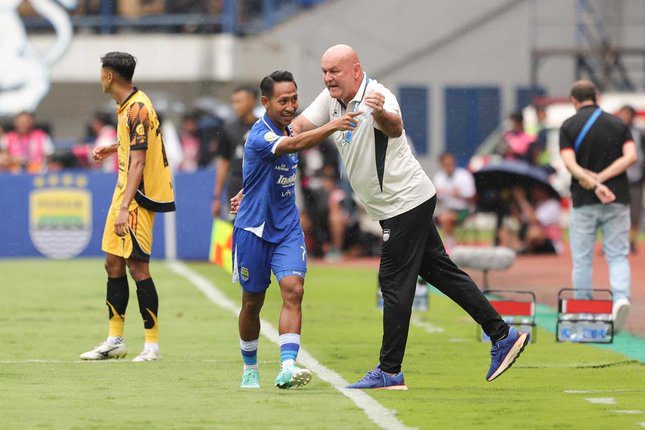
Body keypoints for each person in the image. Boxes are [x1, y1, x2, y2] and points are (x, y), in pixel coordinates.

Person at [291, 44, 529, 389]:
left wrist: (378, 114)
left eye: (335, 71)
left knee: (393, 282)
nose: (328, 78)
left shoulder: (379, 95)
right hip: (398, 205)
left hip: (405, 204)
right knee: (442, 273)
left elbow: (395, 126)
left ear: (355, 70)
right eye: (325, 71)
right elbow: (300, 125)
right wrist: (276, 135)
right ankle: (503, 334)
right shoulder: (331, 100)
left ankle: (389, 371)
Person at [230, 70, 358, 389]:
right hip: (254, 230)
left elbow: (290, 141)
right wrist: (333, 125)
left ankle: (287, 366)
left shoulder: (289, 126)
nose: (290, 106)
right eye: (283, 101)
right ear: (265, 102)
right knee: (252, 302)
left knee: (293, 290)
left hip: (287, 228)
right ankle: (250, 368)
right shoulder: (259, 136)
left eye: (294, 99)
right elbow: (292, 144)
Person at [80, 52, 176, 362]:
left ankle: (152, 345)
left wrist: (125, 208)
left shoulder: (137, 108)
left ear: (109, 76)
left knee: (137, 267)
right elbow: (138, 144)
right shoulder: (128, 105)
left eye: (102, 73)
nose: (100, 78)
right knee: (112, 263)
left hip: (137, 197)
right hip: (124, 192)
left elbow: (139, 162)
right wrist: (114, 147)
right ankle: (115, 340)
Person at [559, 80, 637, 333]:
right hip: (617, 198)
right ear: (597, 97)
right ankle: (621, 298)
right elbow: (631, 156)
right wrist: (603, 178)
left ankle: (583, 312)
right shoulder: (618, 124)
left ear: (574, 100)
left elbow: (569, 163)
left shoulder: (568, 126)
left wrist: (593, 182)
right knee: (617, 255)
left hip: (584, 200)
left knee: (582, 260)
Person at [212, 85, 258, 218]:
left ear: (251, 101)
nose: (235, 106)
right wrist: (216, 197)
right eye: (233, 102)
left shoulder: (262, 127)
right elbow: (223, 162)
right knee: (237, 225)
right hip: (235, 185)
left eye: (239, 101)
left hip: (258, 185)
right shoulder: (228, 129)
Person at [499, 186, 562, 254]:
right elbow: (521, 221)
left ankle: (523, 248)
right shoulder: (534, 204)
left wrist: (521, 199)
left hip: (549, 240)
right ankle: (509, 251)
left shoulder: (552, 204)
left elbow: (534, 220)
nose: (533, 192)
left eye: (536, 190)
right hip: (530, 238)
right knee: (504, 230)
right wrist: (514, 207)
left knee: (534, 231)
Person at [615, 105, 644, 254]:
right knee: (616, 211)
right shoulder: (614, 132)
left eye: (626, 114)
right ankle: (615, 242)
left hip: (636, 178)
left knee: (634, 212)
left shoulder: (639, 133)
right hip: (618, 178)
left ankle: (631, 241)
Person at [432, 151, 476, 251]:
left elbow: (472, 197)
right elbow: (436, 201)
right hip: (445, 210)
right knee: (440, 217)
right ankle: (449, 244)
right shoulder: (438, 177)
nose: (449, 167)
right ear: (441, 165)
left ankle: (450, 246)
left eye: (450, 163)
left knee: (445, 218)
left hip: (464, 211)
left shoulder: (464, 175)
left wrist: (459, 195)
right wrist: (437, 196)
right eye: (446, 164)